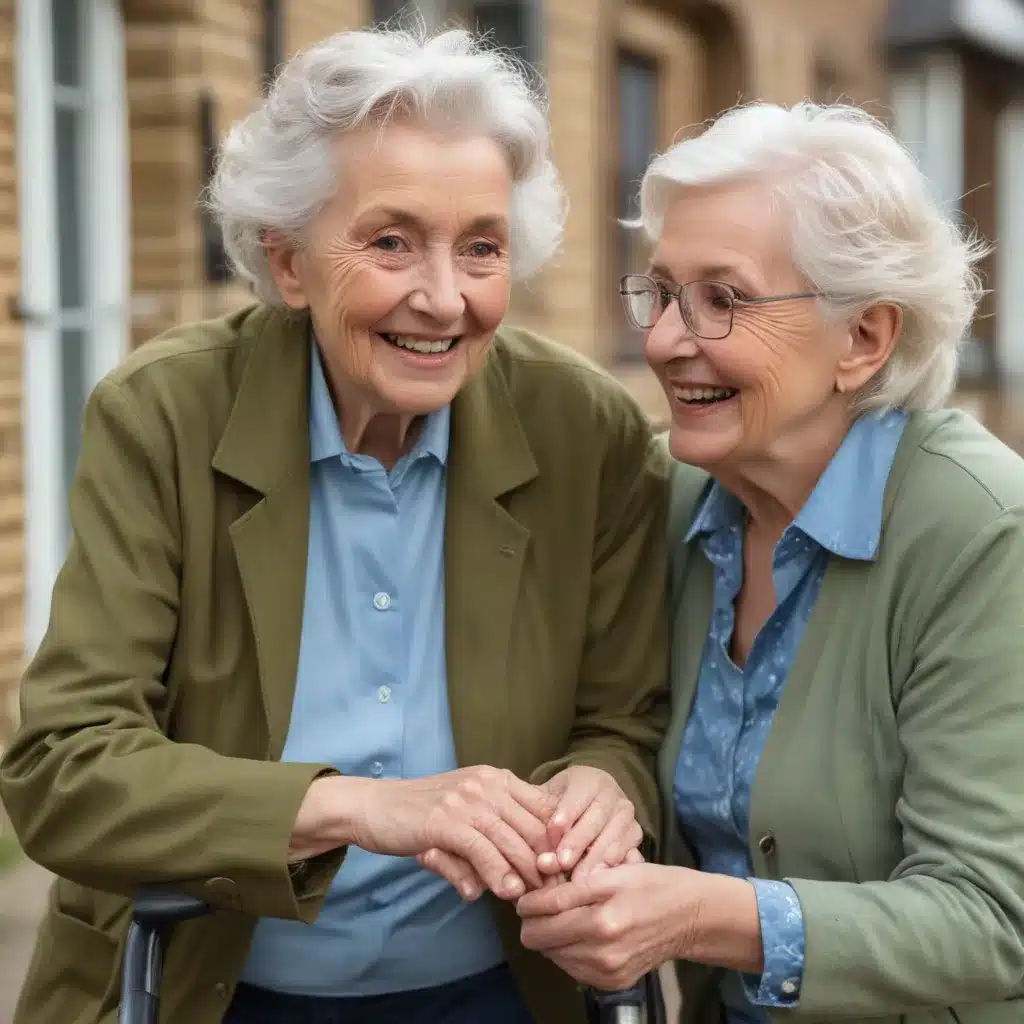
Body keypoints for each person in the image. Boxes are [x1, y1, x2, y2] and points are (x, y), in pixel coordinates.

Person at [0, 26, 671, 1024]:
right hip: (208, 982)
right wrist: (363, 805)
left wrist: (602, 784)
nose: (442, 298)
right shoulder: (166, 415)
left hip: (497, 986)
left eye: (480, 247)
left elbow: (625, 722)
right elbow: (66, 767)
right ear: (289, 265)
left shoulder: (587, 430)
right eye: (390, 241)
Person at [515, 101, 1024, 1023]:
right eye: (661, 293)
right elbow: (620, 730)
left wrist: (704, 916)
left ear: (864, 339)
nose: (667, 340)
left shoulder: (984, 534)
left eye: (723, 300)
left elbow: (993, 920)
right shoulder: (678, 504)